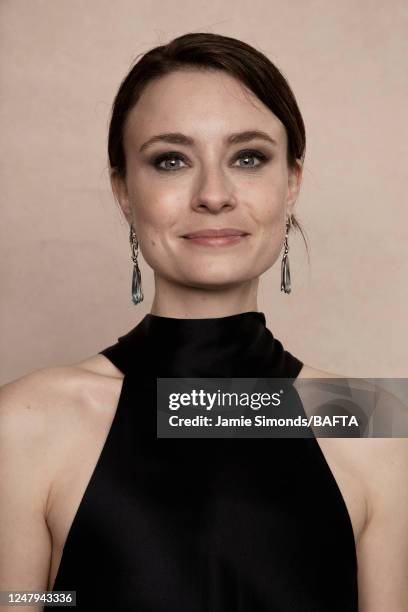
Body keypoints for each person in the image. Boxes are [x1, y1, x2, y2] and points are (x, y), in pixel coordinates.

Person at [0, 32, 407, 611]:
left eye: (248, 157)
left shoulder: (372, 423)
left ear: (291, 183)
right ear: (123, 191)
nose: (213, 194)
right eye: (171, 160)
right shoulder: (25, 424)